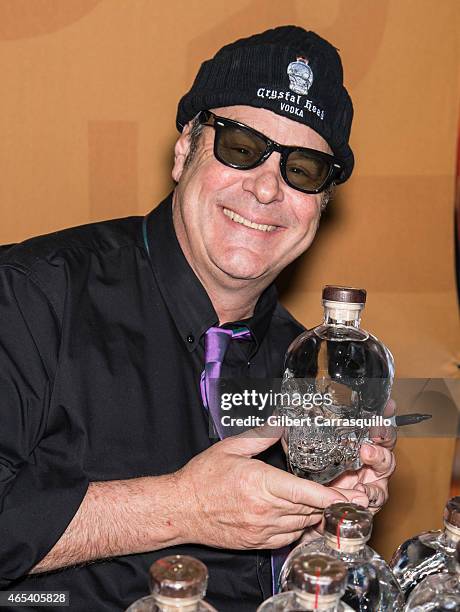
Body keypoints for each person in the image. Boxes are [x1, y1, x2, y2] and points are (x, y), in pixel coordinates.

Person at [0, 26, 396, 611]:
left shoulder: (305, 366)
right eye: (241, 146)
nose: (266, 189)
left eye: (304, 170)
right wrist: (178, 506)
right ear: (185, 150)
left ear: (321, 203)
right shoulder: (34, 293)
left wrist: (321, 533)